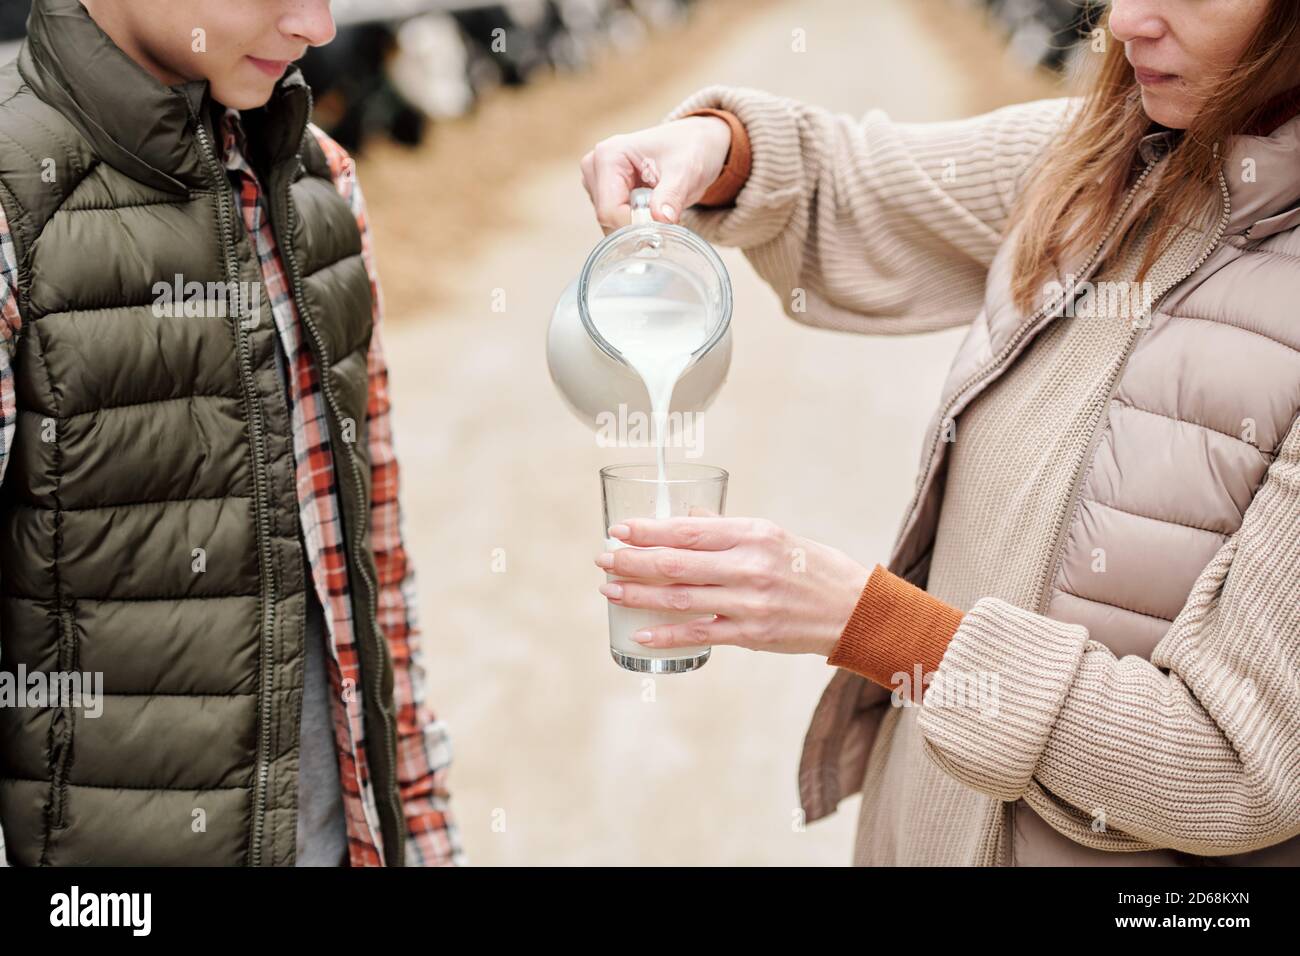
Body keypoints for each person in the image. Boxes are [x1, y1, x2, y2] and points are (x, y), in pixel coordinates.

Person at [581, 0, 1300, 865]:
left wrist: (875, 626)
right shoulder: (1104, 158)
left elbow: (1235, 769)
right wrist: (717, 152)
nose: (1124, 22)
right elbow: (853, 181)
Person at [0, 0, 464, 866]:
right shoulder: (13, 200)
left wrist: (427, 839)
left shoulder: (319, 180)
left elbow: (378, 570)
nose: (319, 27)